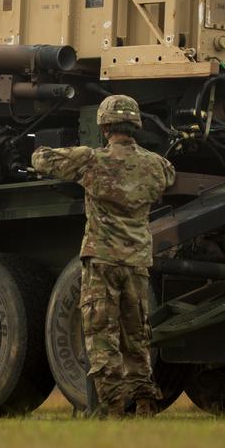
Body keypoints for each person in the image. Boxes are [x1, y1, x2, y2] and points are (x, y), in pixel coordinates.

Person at [30, 94, 175, 417]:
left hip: (102, 261)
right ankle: (145, 403)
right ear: (135, 125)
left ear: (105, 126)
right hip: (137, 263)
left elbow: (43, 160)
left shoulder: (91, 160)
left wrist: (40, 151)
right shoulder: (155, 166)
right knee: (137, 336)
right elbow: (169, 176)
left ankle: (110, 407)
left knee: (101, 335)